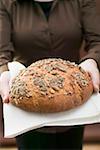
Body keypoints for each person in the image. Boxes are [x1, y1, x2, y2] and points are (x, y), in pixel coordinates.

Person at [0, 0, 100, 149]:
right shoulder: (5, 3)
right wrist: (4, 72)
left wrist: (92, 60)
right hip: (26, 100)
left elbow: (97, 41)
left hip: (73, 93)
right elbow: (1, 52)